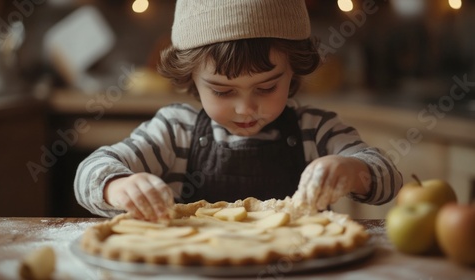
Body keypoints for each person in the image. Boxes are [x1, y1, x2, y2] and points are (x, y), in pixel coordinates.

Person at [74, 0, 402, 221]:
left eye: (266, 87)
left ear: (293, 72)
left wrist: (351, 171)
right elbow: (89, 172)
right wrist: (115, 186)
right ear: (191, 77)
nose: (246, 108)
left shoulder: (315, 131)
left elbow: (389, 180)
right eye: (222, 91)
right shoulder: (176, 131)